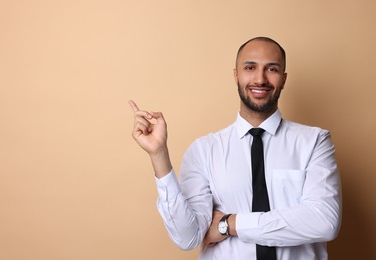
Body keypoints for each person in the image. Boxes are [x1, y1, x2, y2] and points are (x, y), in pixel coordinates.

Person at [129, 37, 341, 260]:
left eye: (272, 69)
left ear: (284, 79)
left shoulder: (315, 141)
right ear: (236, 75)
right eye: (250, 67)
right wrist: (158, 155)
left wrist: (229, 224)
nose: (260, 79)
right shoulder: (204, 150)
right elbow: (187, 237)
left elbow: (324, 221)